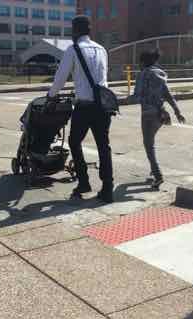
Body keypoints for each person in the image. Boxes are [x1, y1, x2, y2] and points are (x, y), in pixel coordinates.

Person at [47, 15, 114, 203]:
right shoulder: (102, 49)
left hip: (84, 107)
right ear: (89, 30)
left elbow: (60, 78)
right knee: (104, 147)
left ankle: (84, 182)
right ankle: (108, 188)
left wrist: (51, 96)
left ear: (75, 31)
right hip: (103, 106)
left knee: (74, 142)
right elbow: (102, 77)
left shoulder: (73, 50)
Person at [130, 49, 186, 189]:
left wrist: (120, 100)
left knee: (149, 146)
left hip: (148, 115)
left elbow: (136, 96)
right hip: (160, 115)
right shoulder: (160, 75)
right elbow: (168, 95)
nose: (139, 65)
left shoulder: (142, 75)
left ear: (143, 62)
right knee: (151, 142)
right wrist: (178, 112)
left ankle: (158, 175)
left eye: (139, 62)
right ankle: (152, 169)